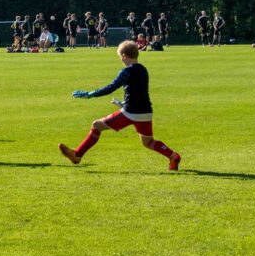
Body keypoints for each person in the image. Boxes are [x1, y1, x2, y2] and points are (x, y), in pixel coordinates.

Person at [58, 40, 181, 170]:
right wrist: (122, 103)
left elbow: (111, 87)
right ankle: (173, 155)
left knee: (96, 125)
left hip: (131, 112)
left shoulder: (126, 71)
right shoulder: (143, 69)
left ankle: (77, 155)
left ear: (124, 56)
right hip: (146, 112)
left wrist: (90, 94)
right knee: (148, 142)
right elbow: (139, 92)